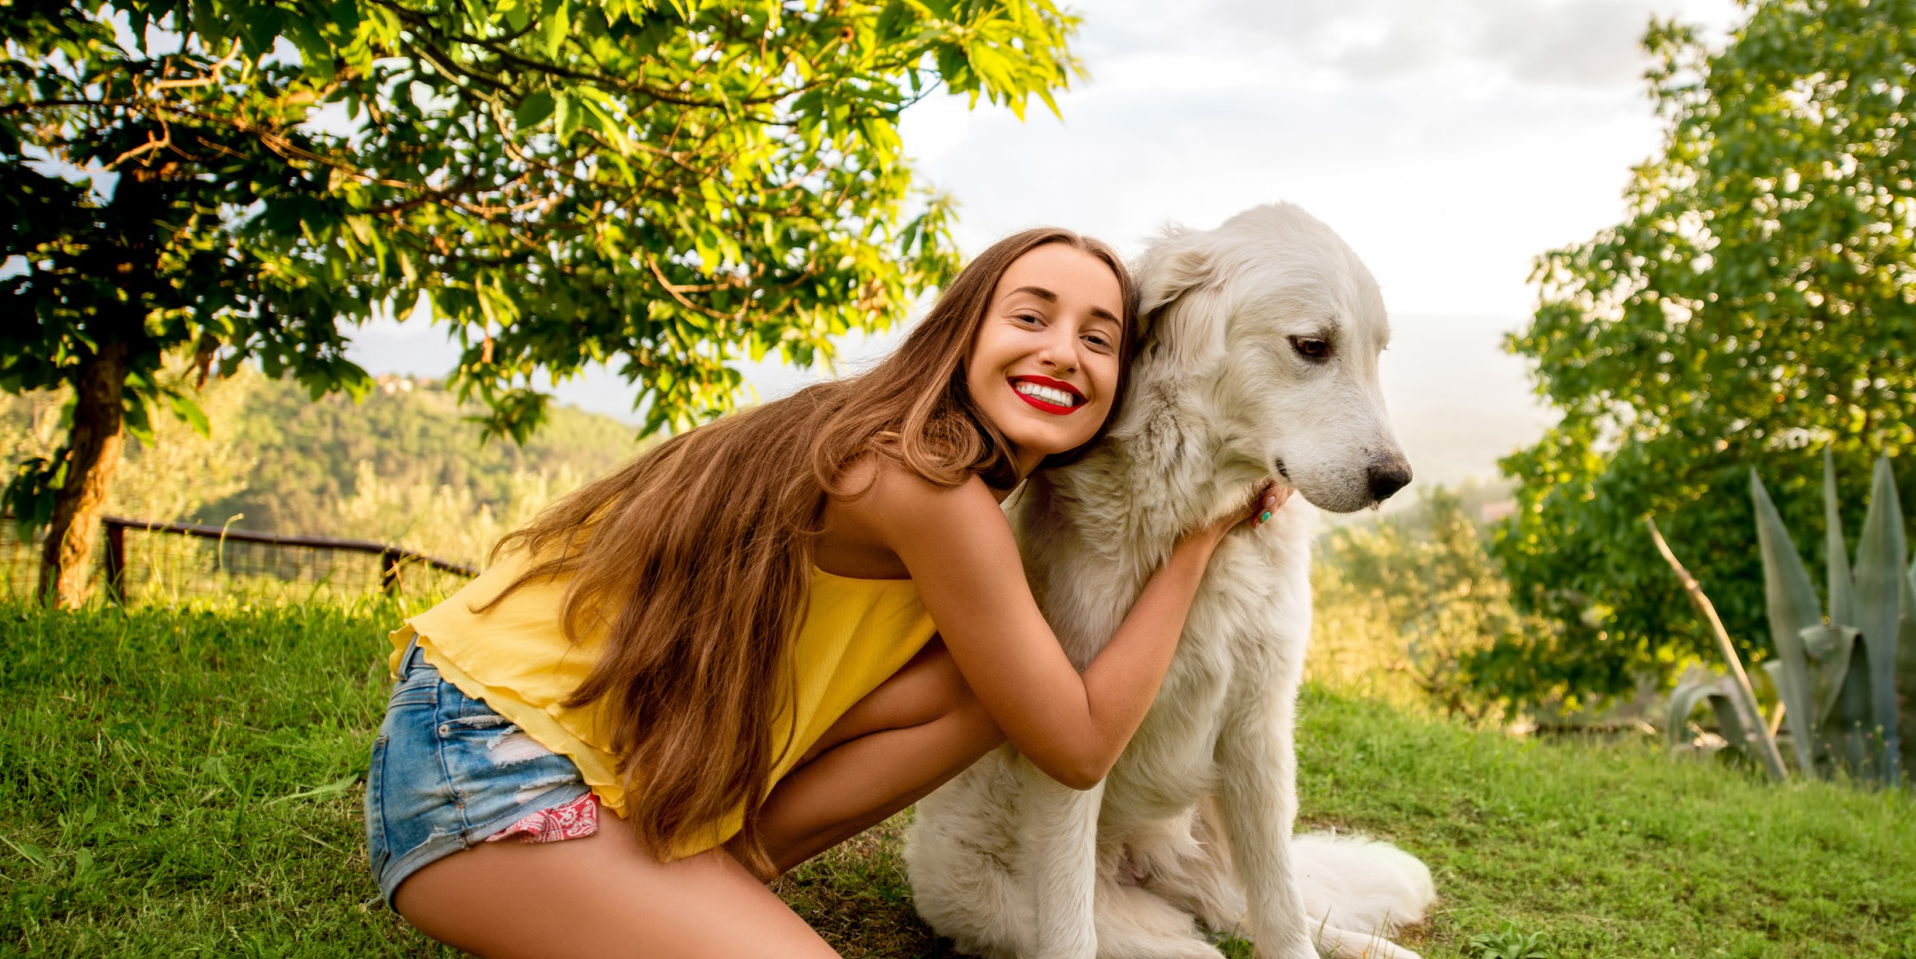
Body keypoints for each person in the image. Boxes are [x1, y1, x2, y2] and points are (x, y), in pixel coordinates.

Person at [363, 228, 1278, 957]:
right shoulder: (925, 483)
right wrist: (1198, 538)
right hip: (486, 771)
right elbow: (1081, 747)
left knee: (985, 685)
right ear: (962, 332)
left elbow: (1035, 711)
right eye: (1030, 317)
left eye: (1098, 337)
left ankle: (697, 879)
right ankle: (660, 893)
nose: (1063, 353)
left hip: (560, 768)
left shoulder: (926, 463)